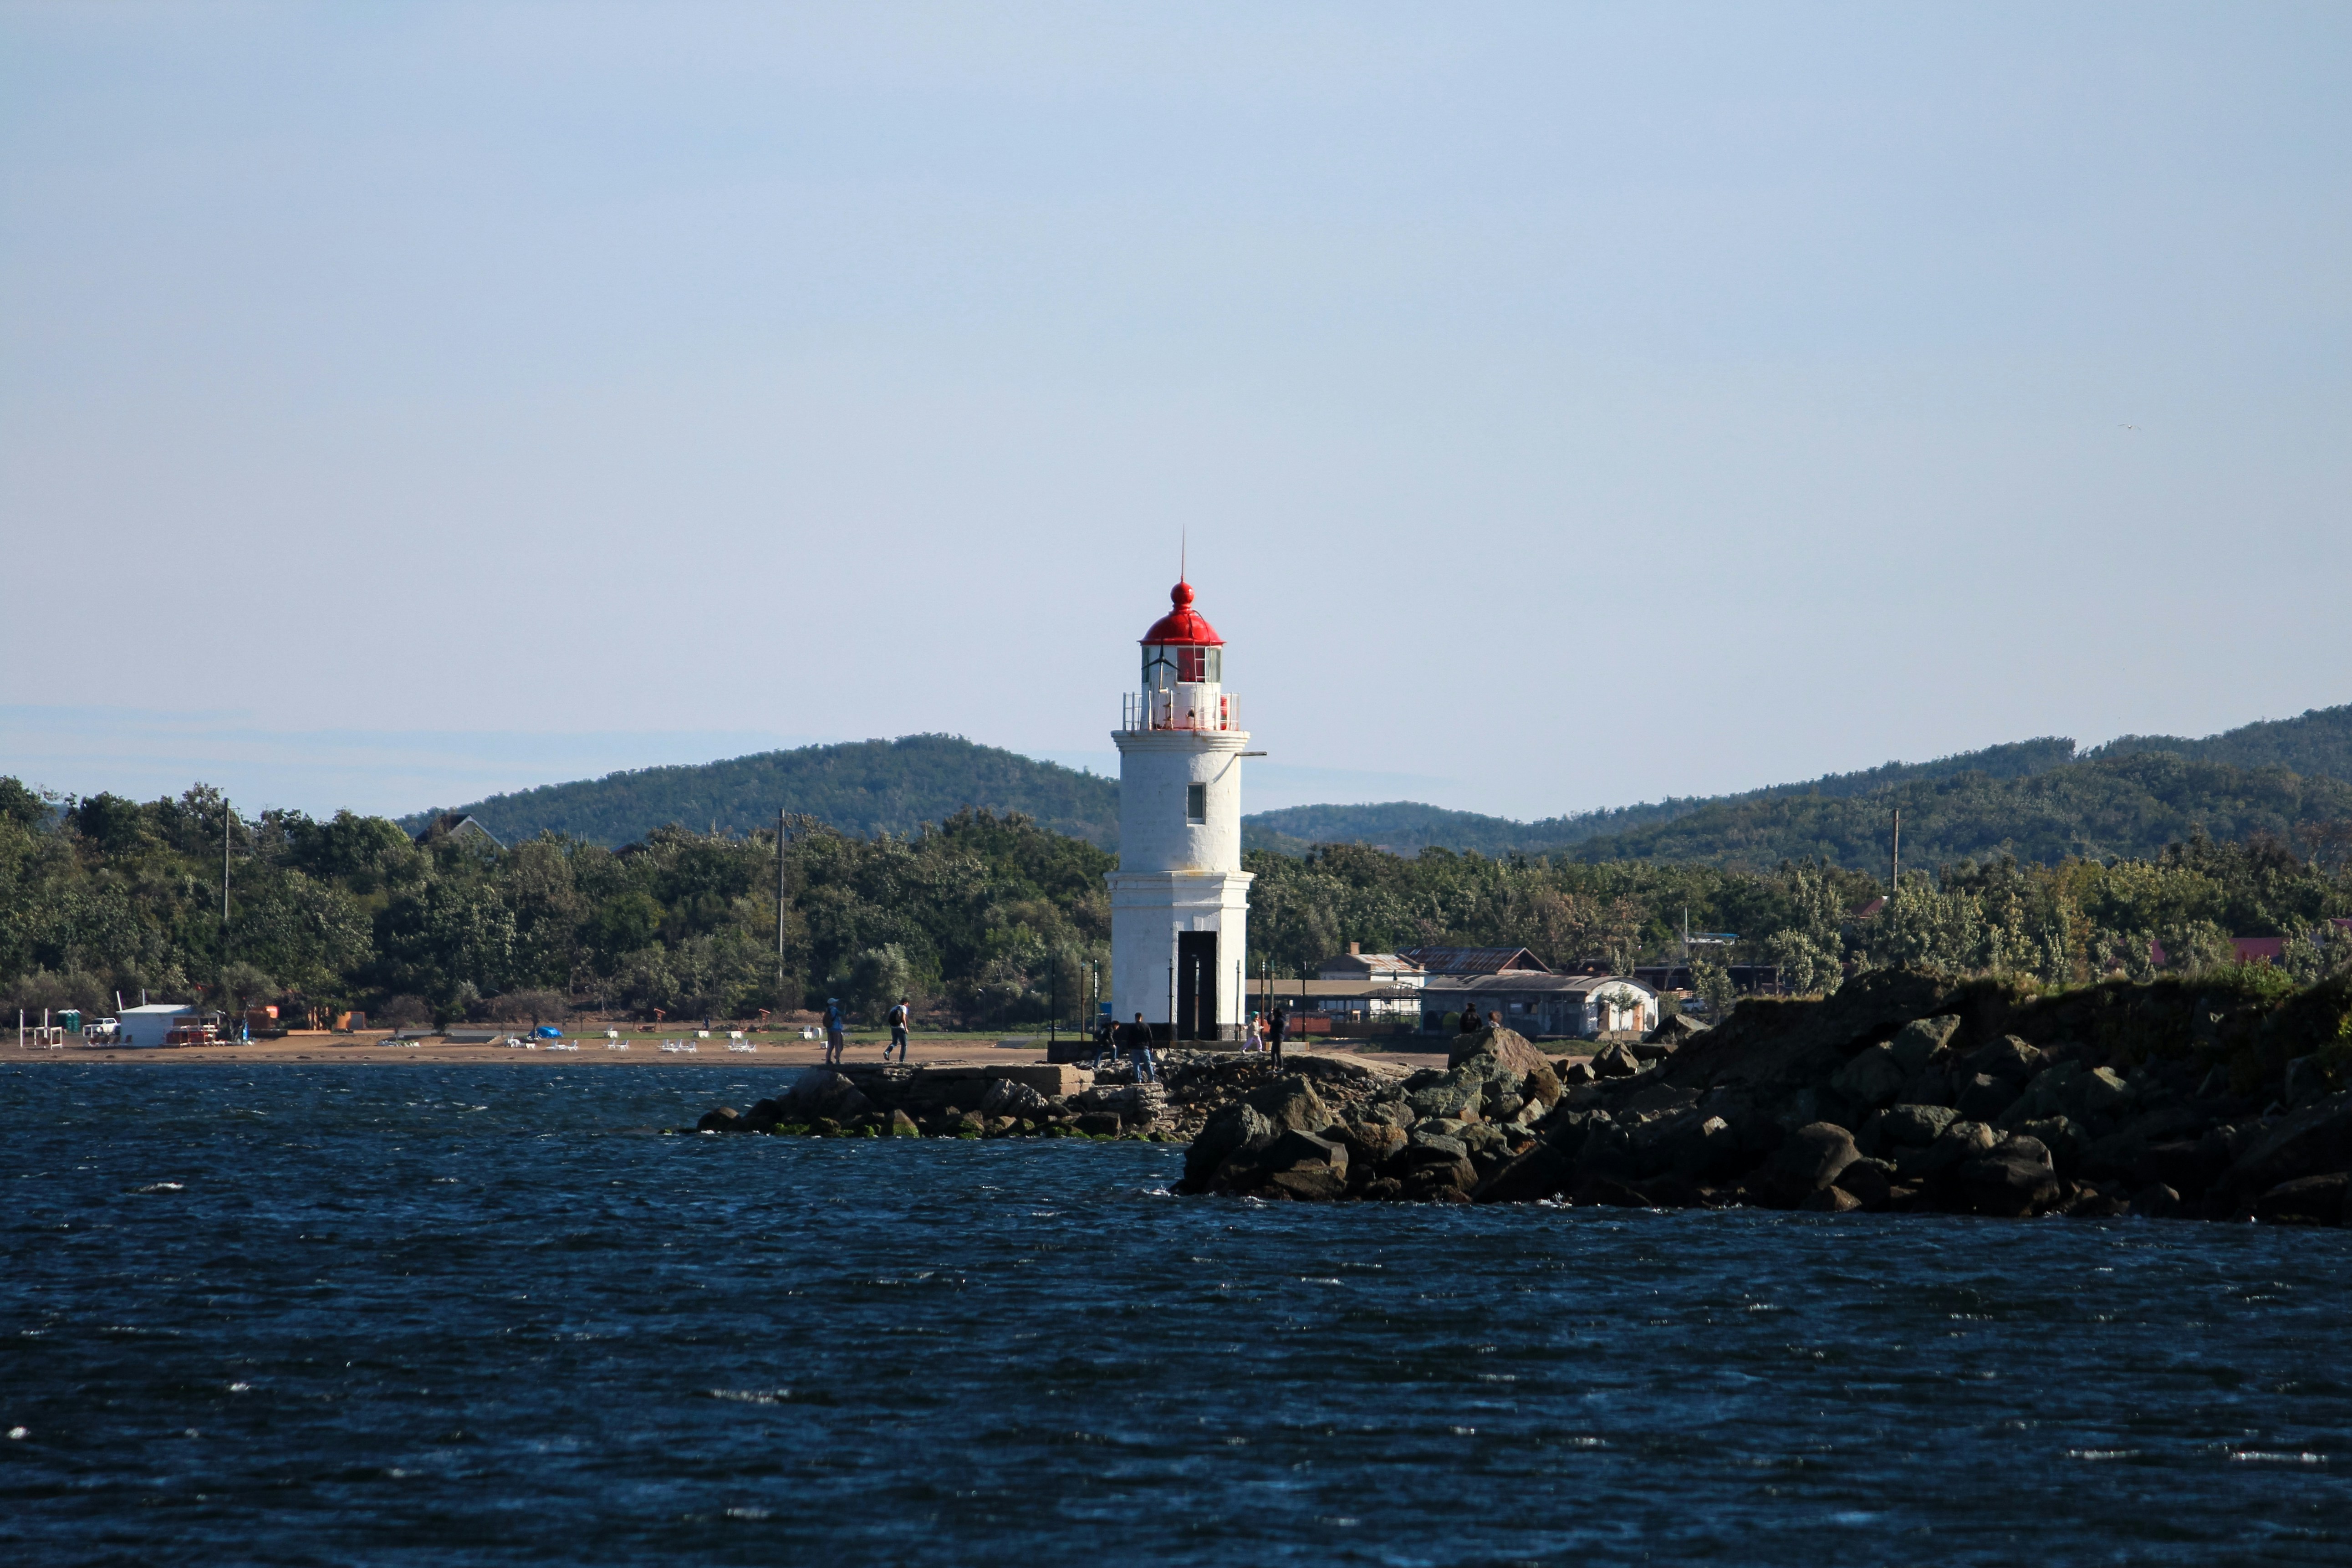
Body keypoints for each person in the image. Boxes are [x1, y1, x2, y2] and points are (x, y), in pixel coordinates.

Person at [1123, 1011, 1159, 1083]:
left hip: (1135, 1048)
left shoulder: (1132, 1027)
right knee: (1148, 1064)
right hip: (1144, 1048)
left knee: (1136, 1065)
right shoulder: (1146, 1026)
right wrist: (1151, 1047)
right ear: (1141, 1018)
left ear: (1135, 1018)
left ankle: (1138, 1080)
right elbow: (1150, 1037)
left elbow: (1129, 1038)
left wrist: (1129, 1047)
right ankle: (1151, 1079)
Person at [822, 997, 848, 1066]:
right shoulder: (834, 1009)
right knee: (838, 1044)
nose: (836, 1003)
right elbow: (842, 1014)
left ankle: (828, 1060)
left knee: (831, 1045)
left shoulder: (827, 1010)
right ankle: (837, 1060)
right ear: (832, 1003)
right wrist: (845, 1008)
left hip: (829, 1029)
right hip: (836, 1029)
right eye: (835, 1002)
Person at [886, 997, 911, 1063]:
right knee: (904, 1044)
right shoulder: (903, 1007)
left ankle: (887, 1052)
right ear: (906, 1003)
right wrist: (906, 1028)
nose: (908, 1005)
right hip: (900, 1028)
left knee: (894, 1043)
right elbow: (903, 1018)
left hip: (893, 1028)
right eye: (908, 1004)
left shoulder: (894, 1008)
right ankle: (902, 1060)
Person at [1267, 1000, 1288, 1067]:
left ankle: (1280, 1068)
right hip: (1277, 1037)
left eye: (1274, 1014)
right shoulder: (1282, 1019)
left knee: (1278, 1053)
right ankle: (1273, 1068)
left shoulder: (1278, 1020)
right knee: (1273, 1053)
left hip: (1278, 1037)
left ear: (1276, 1014)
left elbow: (1270, 1022)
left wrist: (1270, 1014)